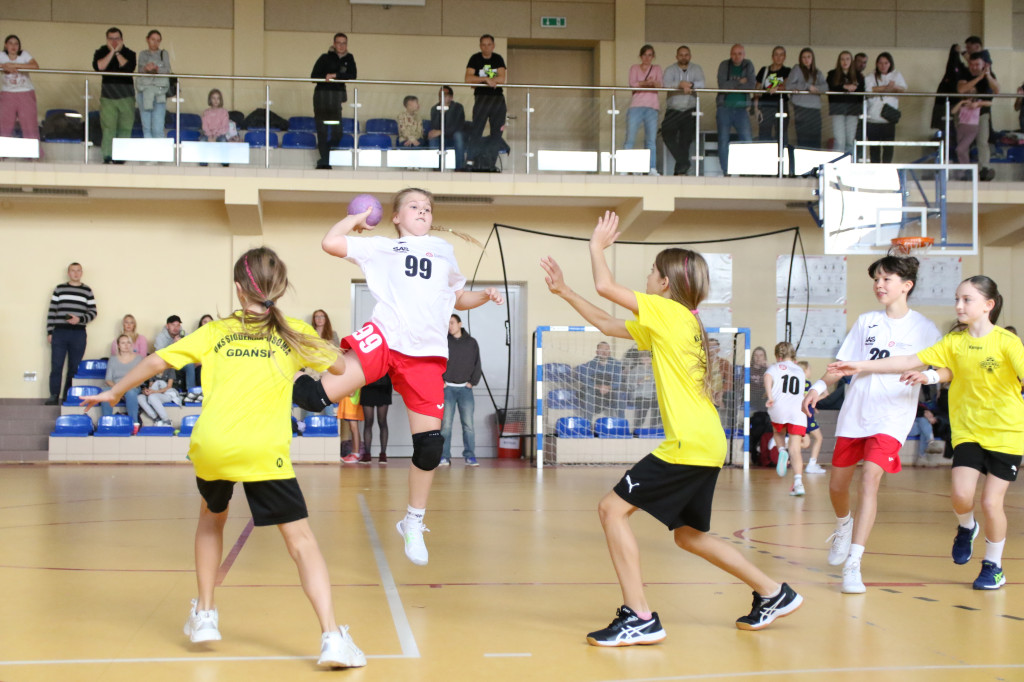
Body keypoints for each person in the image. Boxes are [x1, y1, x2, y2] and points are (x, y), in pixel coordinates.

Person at [81, 247, 365, 667]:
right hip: (262, 449)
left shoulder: (215, 333)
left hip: (213, 446)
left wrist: (116, 391)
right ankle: (332, 638)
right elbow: (341, 370)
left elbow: (158, 359)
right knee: (301, 542)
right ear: (278, 288)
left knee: (211, 520)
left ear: (237, 288)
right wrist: (300, 365)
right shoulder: (294, 333)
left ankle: (206, 615)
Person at [540, 212, 802, 646]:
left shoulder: (670, 313)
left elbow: (606, 289)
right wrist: (565, 290)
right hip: (705, 443)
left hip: (688, 444)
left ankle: (639, 616)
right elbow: (607, 324)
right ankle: (773, 592)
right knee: (688, 536)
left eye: (651, 271)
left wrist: (596, 247)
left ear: (664, 284)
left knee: (611, 509)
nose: (646, 276)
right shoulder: (678, 320)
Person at [293, 188, 504, 566]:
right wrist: (355, 220)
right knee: (312, 398)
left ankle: (412, 521)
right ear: (395, 217)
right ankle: (277, 370)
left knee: (429, 447)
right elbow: (330, 242)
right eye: (414, 206)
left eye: (427, 207)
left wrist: (485, 296)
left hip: (425, 354)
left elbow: (457, 298)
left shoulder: (443, 250)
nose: (422, 210)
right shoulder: (380, 249)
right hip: (386, 340)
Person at [830, 275, 1023, 592]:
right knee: (961, 496)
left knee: (991, 502)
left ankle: (993, 566)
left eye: (967, 300)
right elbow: (909, 360)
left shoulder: (1007, 342)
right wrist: (859, 365)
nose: (959, 305)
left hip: (1007, 432)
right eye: (957, 299)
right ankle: (966, 527)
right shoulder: (954, 342)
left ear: (988, 305)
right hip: (969, 431)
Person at [803, 254, 941, 594]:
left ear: (906, 285)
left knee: (870, 480)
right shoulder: (866, 322)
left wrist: (928, 374)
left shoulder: (925, 329)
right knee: (837, 486)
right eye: (876, 279)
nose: (879, 284)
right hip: (856, 414)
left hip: (892, 418)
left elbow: (939, 367)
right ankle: (843, 524)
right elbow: (841, 365)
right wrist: (820, 387)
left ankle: (854, 563)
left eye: (887, 279)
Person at [46, 262, 97, 405]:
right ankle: (54, 395)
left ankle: (68, 397)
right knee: (56, 365)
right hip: (60, 332)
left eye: (78, 271)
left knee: (74, 367)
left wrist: (80, 319)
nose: (76, 273)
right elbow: (52, 311)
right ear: (68, 273)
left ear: (81, 273)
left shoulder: (87, 290)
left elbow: (93, 312)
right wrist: (50, 331)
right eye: (73, 271)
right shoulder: (59, 289)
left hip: (78, 333)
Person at [764, 342, 807, 496]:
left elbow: (768, 377)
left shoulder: (774, 367)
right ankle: (798, 483)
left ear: (778, 356)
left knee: (778, 432)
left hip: (779, 407)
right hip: (797, 410)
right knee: (796, 450)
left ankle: (782, 450)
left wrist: (769, 396)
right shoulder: (800, 371)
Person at [440, 313, 482, 466]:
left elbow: (478, 365)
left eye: (452, 323)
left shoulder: (471, 343)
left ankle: (470, 456)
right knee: (445, 426)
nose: (450, 326)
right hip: (447, 390)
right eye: (448, 323)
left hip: (465, 389)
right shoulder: (443, 342)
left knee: (468, 425)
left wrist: (472, 382)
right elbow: (436, 362)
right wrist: (441, 381)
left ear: (460, 324)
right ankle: (444, 456)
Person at [311, 33, 356, 170]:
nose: (341, 46)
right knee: (322, 131)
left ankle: (325, 157)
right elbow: (314, 76)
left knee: (337, 132)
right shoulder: (325, 58)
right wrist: (326, 77)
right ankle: (325, 161)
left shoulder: (349, 58)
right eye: (339, 43)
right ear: (334, 43)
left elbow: (352, 75)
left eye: (344, 43)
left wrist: (335, 75)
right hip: (322, 98)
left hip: (336, 100)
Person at [92, 27, 137, 164]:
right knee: (108, 127)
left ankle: (121, 156)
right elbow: (99, 67)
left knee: (125, 128)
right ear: (107, 40)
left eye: (117, 38)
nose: (114, 41)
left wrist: (117, 53)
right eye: (111, 39)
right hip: (108, 97)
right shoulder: (101, 52)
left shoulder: (129, 53)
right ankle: (107, 155)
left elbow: (128, 68)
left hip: (126, 96)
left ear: (122, 39)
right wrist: (111, 52)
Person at [661, 45, 704, 176]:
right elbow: (666, 84)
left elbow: (702, 83)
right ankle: (684, 162)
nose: (684, 57)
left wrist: (690, 85)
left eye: (686, 54)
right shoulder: (670, 69)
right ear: (676, 56)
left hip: (690, 109)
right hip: (673, 109)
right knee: (666, 133)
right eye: (681, 54)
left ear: (690, 56)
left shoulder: (696, 69)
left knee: (686, 141)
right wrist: (679, 85)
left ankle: (680, 171)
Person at [464, 34, 507, 165]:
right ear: (480, 46)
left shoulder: (498, 58)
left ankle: (491, 161)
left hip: (497, 98)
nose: (486, 47)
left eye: (489, 44)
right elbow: (468, 79)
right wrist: (486, 79)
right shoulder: (475, 58)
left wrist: (480, 80)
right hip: (481, 98)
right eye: (483, 44)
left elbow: (501, 79)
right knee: (477, 129)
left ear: (493, 46)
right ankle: (471, 160)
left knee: (496, 132)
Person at [957, 52, 999, 181]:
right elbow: (962, 89)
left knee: (982, 141)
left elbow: (997, 91)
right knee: (963, 145)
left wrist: (987, 76)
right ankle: (965, 169)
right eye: (972, 64)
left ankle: (984, 168)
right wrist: (978, 78)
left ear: (983, 64)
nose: (974, 67)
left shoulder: (990, 75)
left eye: (977, 64)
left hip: (982, 114)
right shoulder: (964, 73)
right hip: (965, 116)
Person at [716, 44, 755, 175]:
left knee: (746, 139)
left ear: (744, 54)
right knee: (723, 140)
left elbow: (751, 85)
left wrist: (733, 84)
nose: (736, 56)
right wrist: (740, 82)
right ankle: (726, 170)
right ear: (730, 54)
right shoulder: (724, 65)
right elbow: (722, 85)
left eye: (739, 53)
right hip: (724, 107)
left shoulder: (748, 65)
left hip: (741, 109)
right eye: (734, 53)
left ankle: (745, 170)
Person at [624, 45, 663, 176]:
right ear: (641, 56)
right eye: (645, 55)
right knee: (630, 138)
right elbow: (632, 83)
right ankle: (625, 167)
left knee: (651, 140)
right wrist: (648, 83)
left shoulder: (657, 68)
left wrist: (642, 83)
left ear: (653, 57)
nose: (647, 58)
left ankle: (651, 167)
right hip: (636, 106)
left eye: (650, 55)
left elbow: (659, 85)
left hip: (652, 106)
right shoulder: (634, 68)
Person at [864, 52, 906, 164]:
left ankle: (886, 170)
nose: (883, 66)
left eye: (886, 63)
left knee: (888, 148)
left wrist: (890, 88)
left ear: (890, 64)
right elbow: (868, 91)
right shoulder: (870, 76)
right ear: (877, 64)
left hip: (889, 118)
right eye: (880, 63)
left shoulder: (896, 75)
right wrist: (887, 88)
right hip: (873, 117)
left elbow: (902, 90)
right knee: (874, 149)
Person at [0, 35, 40, 143]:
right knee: (4, 125)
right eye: (10, 43)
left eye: (16, 43)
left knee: (29, 125)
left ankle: (33, 155)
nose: (13, 46)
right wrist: (4, 65)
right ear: (5, 45)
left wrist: (14, 65)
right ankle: (2, 154)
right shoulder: (2, 55)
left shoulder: (24, 55)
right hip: (7, 93)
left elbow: (35, 66)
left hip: (26, 92)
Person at [785, 48, 826, 150]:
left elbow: (826, 88)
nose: (806, 59)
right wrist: (807, 86)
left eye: (808, 57)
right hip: (801, 108)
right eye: (803, 57)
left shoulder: (817, 72)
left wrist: (816, 89)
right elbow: (789, 85)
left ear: (812, 58)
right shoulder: (797, 69)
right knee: (803, 140)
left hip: (815, 109)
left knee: (816, 139)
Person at [827, 51, 864, 156]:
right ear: (839, 61)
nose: (845, 62)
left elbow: (862, 92)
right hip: (838, 110)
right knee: (839, 140)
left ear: (851, 61)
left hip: (853, 111)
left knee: (850, 139)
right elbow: (830, 87)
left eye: (847, 59)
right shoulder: (832, 74)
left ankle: (849, 163)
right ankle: (837, 164)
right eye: (842, 59)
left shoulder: (858, 76)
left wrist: (854, 88)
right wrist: (844, 87)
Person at [136, 29, 171, 139]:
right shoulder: (143, 54)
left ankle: (160, 155)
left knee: (158, 128)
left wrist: (156, 69)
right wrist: (146, 68)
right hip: (144, 92)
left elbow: (167, 69)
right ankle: (148, 154)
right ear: (147, 40)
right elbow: (140, 70)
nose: (155, 43)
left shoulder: (163, 53)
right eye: (153, 40)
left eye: (158, 40)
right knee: (146, 127)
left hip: (159, 92)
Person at [576, 341, 624, 420]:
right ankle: (588, 423)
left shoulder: (617, 364)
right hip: (595, 390)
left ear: (609, 352)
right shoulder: (590, 364)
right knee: (588, 393)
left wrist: (607, 387)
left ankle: (622, 425)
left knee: (619, 395)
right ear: (597, 352)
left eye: (607, 350)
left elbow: (618, 382)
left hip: (610, 390)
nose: (604, 352)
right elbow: (586, 380)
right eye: (602, 350)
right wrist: (598, 387)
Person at [155, 315, 199, 398]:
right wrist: (173, 344)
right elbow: (159, 355)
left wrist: (183, 345)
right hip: (167, 363)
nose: (176, 328)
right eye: (173, 325)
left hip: (180, 362)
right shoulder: (160, 337)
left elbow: (192, 351)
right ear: (167, 326)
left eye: (178, 325)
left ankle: (191, 393)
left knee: (190, 365)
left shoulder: (184, 335)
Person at [754, 46, 790, 146]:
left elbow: (787, 85)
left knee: (782, 133)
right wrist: (756, 108)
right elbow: (757, 89)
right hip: (766, 105)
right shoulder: (764, 70)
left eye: (781, 55)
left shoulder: (787, 71)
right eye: (776, 54)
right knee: (764, 134)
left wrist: (777, 88)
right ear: (772, 57)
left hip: (781, 106)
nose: (778, 57)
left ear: (784, 57)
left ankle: (782, 158)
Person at [103, 334, 142, 424]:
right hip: (116, 386)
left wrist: (126, 388)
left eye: (128, 342)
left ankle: (134, 423)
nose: (126, 345)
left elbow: (141, 378)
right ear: (118, 345)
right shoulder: (112, 359)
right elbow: (108, 379)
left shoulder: (138, 358)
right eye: (123, 343)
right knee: (106, 392)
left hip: (132, 386)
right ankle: (106, 422)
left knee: (131, 393)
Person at [428, 85, 467, 170]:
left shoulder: (458, 107)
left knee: (458, 135)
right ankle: (436, 168)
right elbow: (435, 127)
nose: (441, 98)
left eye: (444, 95)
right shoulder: (435, 109)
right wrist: (442, 112)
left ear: (451, 97)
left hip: (454, 138)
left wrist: (442, 131)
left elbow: (458, 126)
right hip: (441, 138)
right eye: (440, 95)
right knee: (432, 138)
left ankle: (459, 169)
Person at [797, 360, 825, 474]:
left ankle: (786, 445)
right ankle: (812, 464)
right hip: (806, 417)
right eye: (809, 369)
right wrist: (823, 395)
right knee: (819, 438)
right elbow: (806, 398)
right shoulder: (806, 383)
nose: (810, 372)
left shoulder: (797, 383)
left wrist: (814, 408)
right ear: (804, 371)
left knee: (806, 443)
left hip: (804, 414)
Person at [360, 373, 392, 464]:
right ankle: (367, 454)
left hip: (384, 385)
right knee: (368, 422)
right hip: (368, 384)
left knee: (382, 421)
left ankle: (383, 454)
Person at [953, 94, 984, 167]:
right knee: (964, 151)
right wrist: (962, 102)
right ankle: (965, 168)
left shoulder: (978, 102)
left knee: (960, 149)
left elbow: (989, 103)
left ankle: (967, 167)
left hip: (972, 127)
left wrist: (977, 104)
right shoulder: (962, 103)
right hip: (961, 127)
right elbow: (953, 111)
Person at [339, 388, 365, 464]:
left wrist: (339, 390)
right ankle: (354, 452)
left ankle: (356, 454)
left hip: (352, 405)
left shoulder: (354, 378)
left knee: (354, 429)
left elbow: (351, 393)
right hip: (351, 405)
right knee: (353, 429)